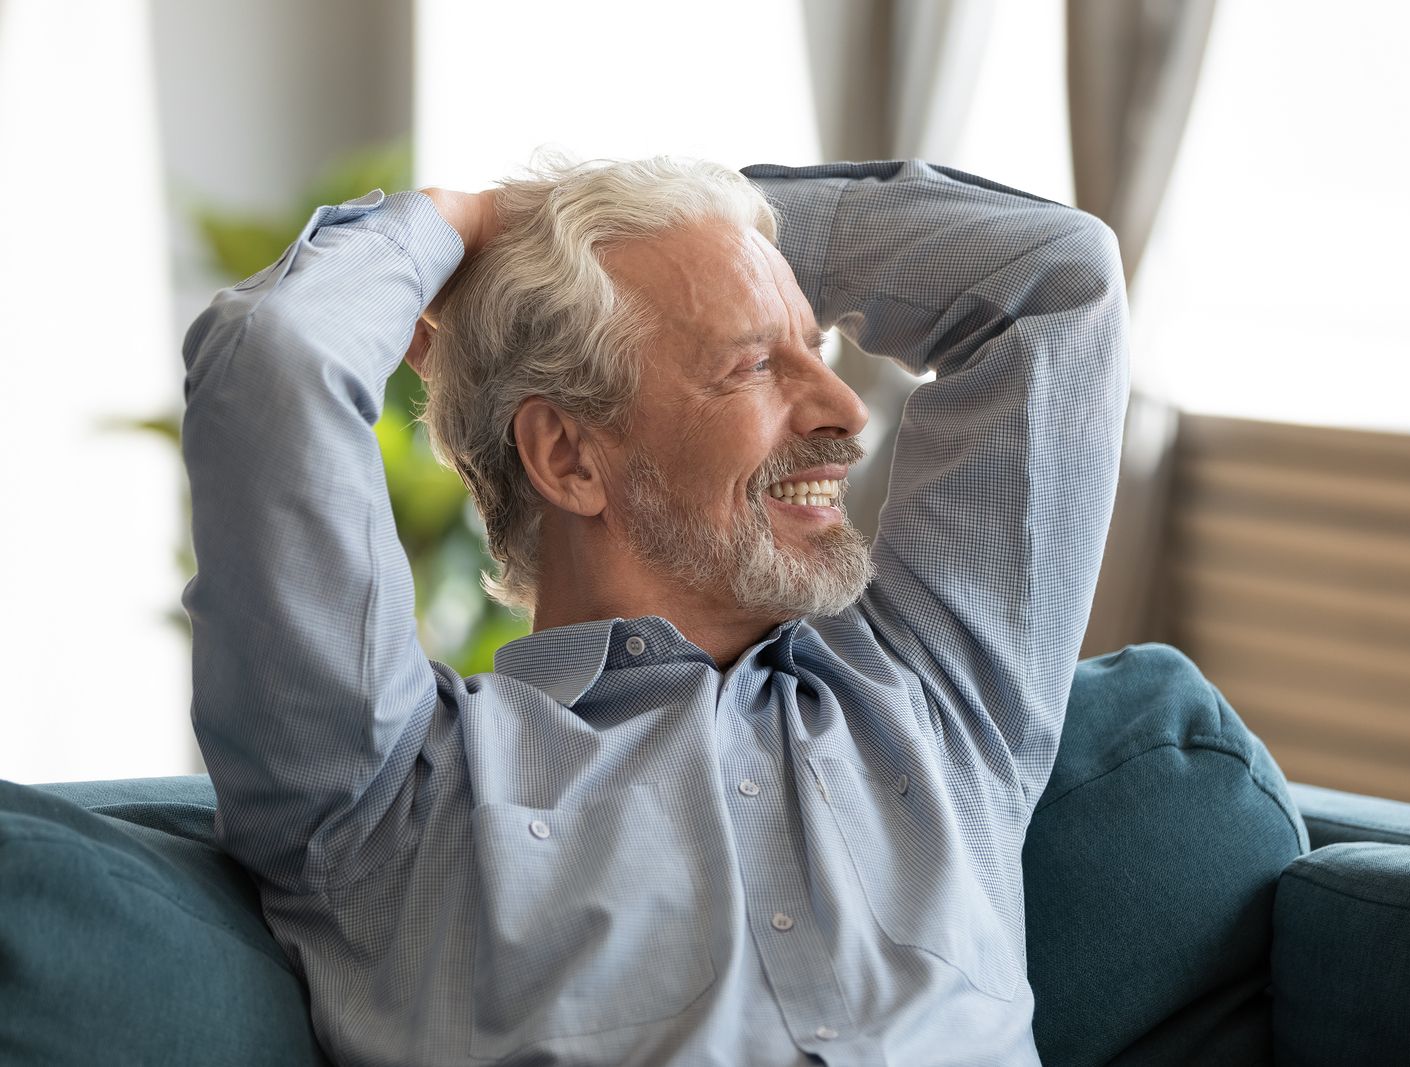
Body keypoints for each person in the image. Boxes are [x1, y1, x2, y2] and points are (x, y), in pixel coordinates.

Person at [180, 155, 1129, 1066]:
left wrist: (662, 213)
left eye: (821, 348)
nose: (844, 407)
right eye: (755, 365)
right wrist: (460, 220)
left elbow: (1054, 277)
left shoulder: (938, 694)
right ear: (570, 459)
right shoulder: (388, 792)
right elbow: (276, 362)